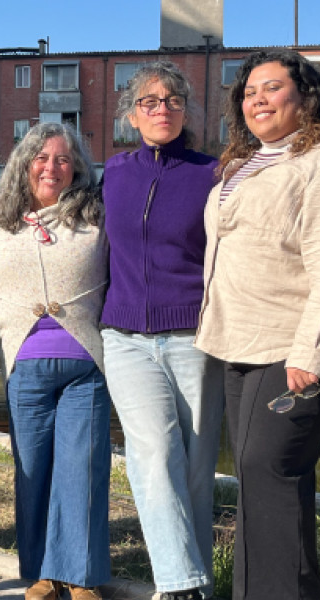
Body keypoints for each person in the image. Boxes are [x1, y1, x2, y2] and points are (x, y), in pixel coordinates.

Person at [195, 50, 320, 600]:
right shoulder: (247, 163)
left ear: (307, 96)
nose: (258, 100)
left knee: (268, 470)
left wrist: (311, 354)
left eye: (272, 88)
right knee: (265, 479)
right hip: (243, 342)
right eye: (249, 93)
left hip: (294, 347)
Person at [100, 62, 223, 600]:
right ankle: (180, 586)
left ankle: (196, 585)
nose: (162, 109)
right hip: (125, 337)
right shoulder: (113, 173)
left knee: (196, 470)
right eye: (149, 101)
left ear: (186, 111)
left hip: (195, 337)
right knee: (153, 455)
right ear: (132, 115)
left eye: (173, 100)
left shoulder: (212, 174)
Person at [0, 122, 111, 600]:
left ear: (76, 167)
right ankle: (42, 573)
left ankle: (80, 577)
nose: (51, 167)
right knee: (32, 470)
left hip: (86, 367)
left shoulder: (95, 220)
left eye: (62, 159)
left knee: (82, 470)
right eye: (41, 158)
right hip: (24, 367)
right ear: (24, 164)